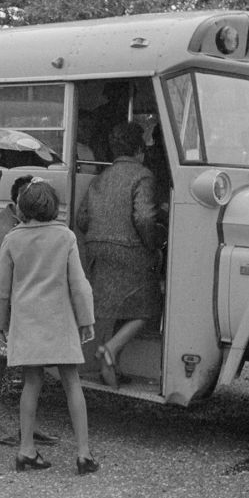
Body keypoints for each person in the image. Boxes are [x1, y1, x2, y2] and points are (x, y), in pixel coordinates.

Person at [0, 179, 99, 475]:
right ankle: (84, 453)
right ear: (53, 207)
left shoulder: (13, 239)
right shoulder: (65, 237)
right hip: (61, 320)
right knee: (71, 382)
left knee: (32, 383)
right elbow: (79, 285)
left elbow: (0, 290)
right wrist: (86, 319)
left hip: (27, 322)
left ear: (22, 207)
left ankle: (26, 449)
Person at [76, 121, 164, 388]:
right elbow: (145, 218)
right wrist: (155, 244)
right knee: (149, 307)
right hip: (130, 250)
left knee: (121, 308)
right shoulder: (143, 175)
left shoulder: (101, 177)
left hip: (97, 249)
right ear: (139, 149)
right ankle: (111, 349)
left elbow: (82, 218)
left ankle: (110, 370)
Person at [0, 174, 60, 447]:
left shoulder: (24, 224)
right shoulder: (3, 226)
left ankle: (30, 424)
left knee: (31, 367)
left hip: (21, 305)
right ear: (18, 200)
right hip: (0, 305)